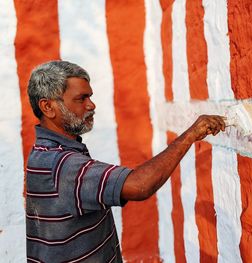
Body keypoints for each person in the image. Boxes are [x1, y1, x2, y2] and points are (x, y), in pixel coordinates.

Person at [26, 60, 226, 262]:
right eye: (81, 98)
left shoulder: (46, 153)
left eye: (90, 97)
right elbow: (139, 186)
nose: (91, 105)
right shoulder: (61, 164)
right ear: (48, 107)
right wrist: (190, 135)